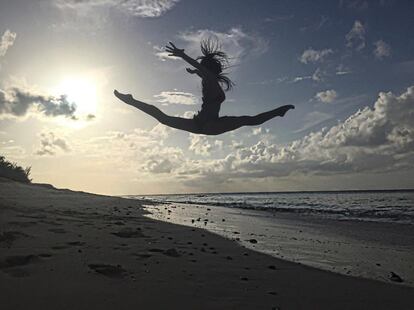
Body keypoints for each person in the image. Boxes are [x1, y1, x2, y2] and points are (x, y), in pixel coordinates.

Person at [114, 39, 294, 135]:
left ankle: (278, 112)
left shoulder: (209, 80)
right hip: (209, 125)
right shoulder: (209, 79)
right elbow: (203, 71)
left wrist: (192, 68)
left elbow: (202, 72)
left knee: (162, 117)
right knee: (250, 120)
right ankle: (131, 100)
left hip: (201, 124)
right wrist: (186, 60)